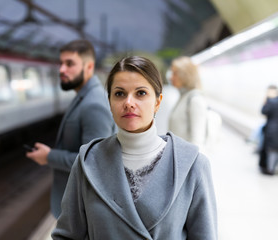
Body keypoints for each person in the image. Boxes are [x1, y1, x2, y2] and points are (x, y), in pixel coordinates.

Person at [52, 56, 217, 239]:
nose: (129, 102)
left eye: (141, 93)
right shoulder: (87, 162)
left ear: (157, 101)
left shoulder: (193, 165)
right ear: (110, 102)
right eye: (120, 94)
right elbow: (66, 236)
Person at [26, 39, 116, 219]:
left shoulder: (93, 104)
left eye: (70, 64)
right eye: (61, 63)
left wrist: (49, 157)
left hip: (85, 211)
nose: (61, 70)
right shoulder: (85, 97)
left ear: (89, 67)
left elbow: (94, 163)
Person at [168, 56, 208, 149]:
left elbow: (197, 141)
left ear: (184, 75)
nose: (171, 77)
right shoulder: (183, 97)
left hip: (185, 160)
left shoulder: (195, 100)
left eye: (174, 73)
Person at [260, 84, 278, 175]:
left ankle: (270, 169)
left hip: (272, 129)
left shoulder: (270, 101)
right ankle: (272, 168)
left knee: (271, 150)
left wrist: (265, 101)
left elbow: (263, 111)